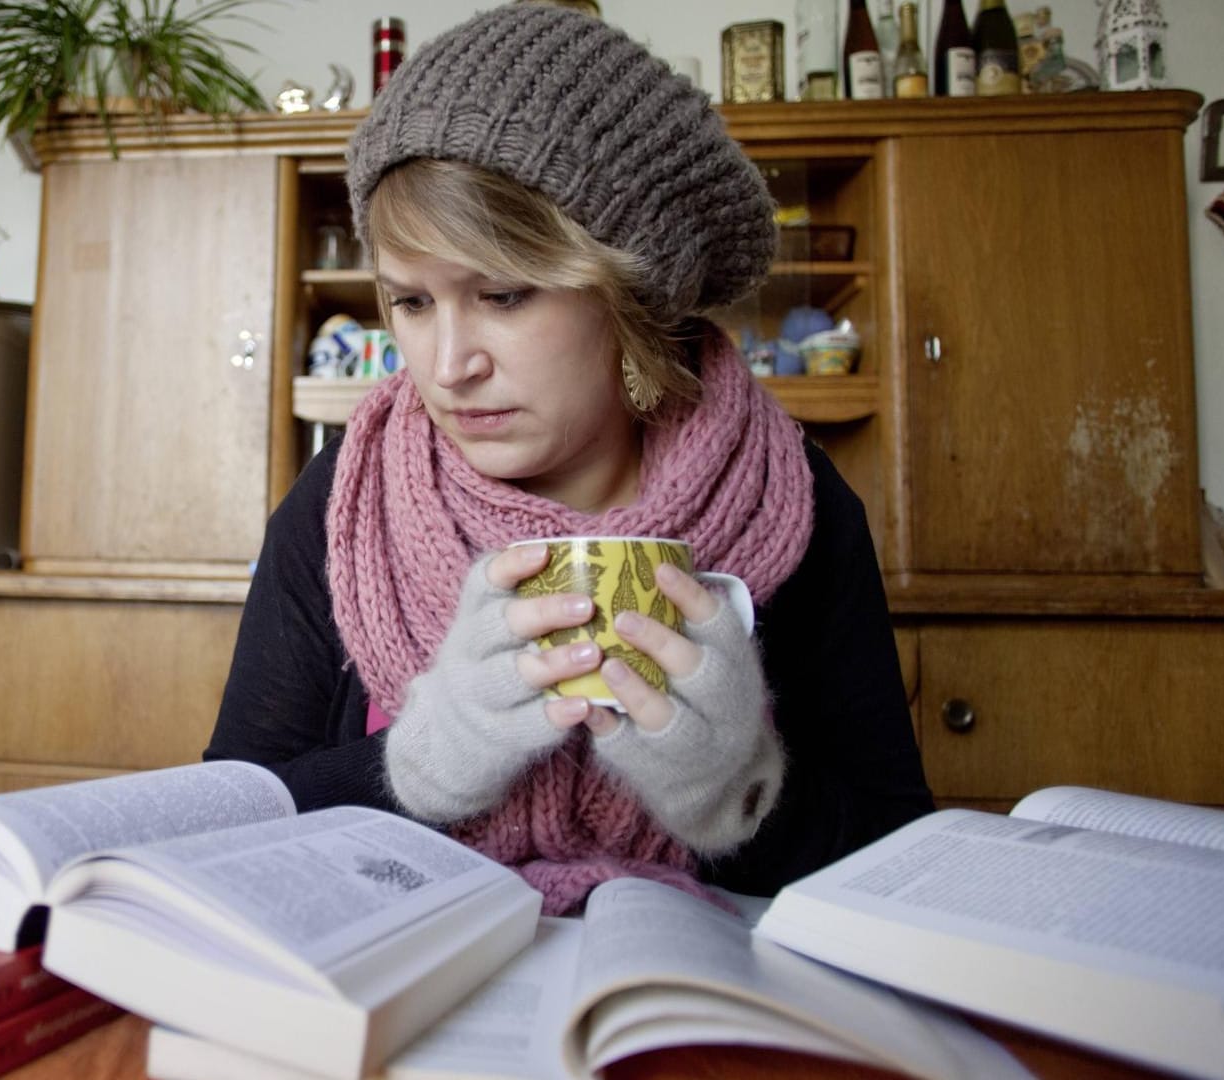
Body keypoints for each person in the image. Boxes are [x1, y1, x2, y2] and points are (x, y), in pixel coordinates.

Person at [205, 3, 933, 912]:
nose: (446, 365)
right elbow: (227, 826)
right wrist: (416, 768)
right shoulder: (345, 501)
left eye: (503, 294)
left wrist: (743, 791)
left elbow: (898, 860)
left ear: (633, 292)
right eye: (411, 302)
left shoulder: (793, 501)